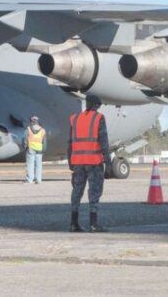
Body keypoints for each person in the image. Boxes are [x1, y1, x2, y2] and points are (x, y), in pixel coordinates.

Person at [68, 95, 112, 233]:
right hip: (94, 161)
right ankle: (93, 224)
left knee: (76, 191)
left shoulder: (74, 119)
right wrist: (108, 162)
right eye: (99, 105)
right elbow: (103, 141)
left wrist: (70, 160)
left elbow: (69, 142)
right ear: (96, 105)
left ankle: (73, 223)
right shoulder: (99, 118)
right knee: (94, 192)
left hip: (78, 162)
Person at [23, 116, 47, 184]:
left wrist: (25, 147)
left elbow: (24, 139)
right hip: (39, 149)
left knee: (30, 165)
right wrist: (44, 149)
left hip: (30, 149)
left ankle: (29, 180)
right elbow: (44, 141)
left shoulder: (28, 129)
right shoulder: (42, 130)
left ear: (31, 121)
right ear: (37, 121)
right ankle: (38, 180)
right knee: (38, 165)